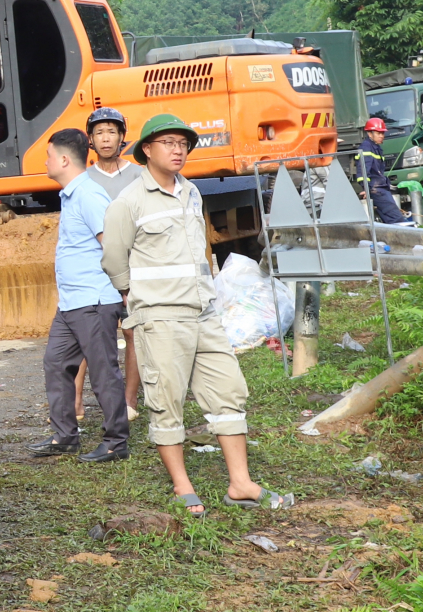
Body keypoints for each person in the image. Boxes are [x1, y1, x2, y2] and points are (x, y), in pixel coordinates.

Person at [101, 113, 289, 517]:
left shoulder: (192, 193)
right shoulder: (129, 202)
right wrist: (133, 294)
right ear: (146, 150)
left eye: (183, 143)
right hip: (162, 317)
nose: (177, 150)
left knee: (229, 392)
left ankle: (240, 484)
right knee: (166, 398)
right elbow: (114, 257)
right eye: (168, 143)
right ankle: (183, 487)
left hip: (204, 314)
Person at [32, 127, 130, 463]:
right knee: (56, 363)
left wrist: (125, 292)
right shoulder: (73, 194)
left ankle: (116, 441)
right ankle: (65, 436)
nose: (45, 162)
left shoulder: (89, 195)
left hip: (94, 301)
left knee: (103, 372)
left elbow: (113, 245)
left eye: (48, 156)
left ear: (62, 159)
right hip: (71, 304)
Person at [80, 106, 143, 416]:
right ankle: (74, 405)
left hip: (134, 267)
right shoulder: (83, 179)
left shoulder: (138, 175)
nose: (106, 139)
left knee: (132, 332)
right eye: (99, 133)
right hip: (94, 272)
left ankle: (129, 402)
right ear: (91, 140)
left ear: (122, 138)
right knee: (86, 337)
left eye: (111, 132)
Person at [355, 117, 411, 225]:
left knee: (390, 219)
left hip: (380, 188)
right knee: (396, 219)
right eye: (378, 133)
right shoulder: (367, 148)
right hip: (377, 189)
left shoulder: (375, 147)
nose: (381, 136)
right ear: (370, 134)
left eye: (382, 133)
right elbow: (363, 171)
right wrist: (367, 188)